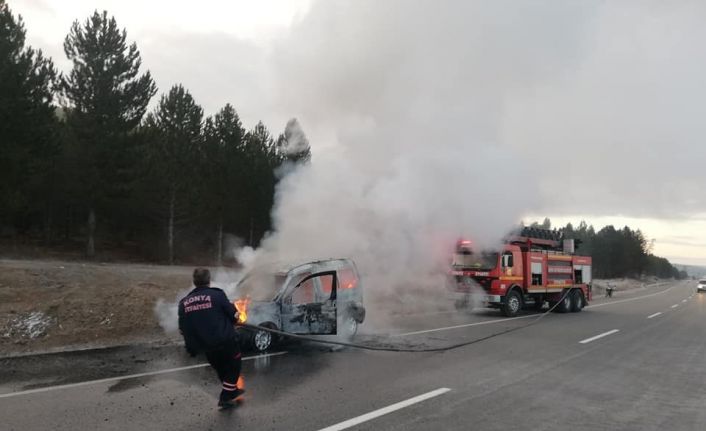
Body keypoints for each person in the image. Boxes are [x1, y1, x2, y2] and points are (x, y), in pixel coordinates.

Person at [178, 268, 244, 408]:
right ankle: (225, 397)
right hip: (225, 341)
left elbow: (183, 329)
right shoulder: (217, 295)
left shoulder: (183, 303)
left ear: (194, 282)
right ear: (209, 280)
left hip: (205, 346)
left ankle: (231, 391)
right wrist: (236, 319)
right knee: (234, 366)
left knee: (221, 369)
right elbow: (233, 315)